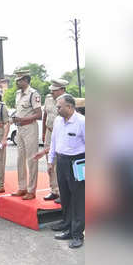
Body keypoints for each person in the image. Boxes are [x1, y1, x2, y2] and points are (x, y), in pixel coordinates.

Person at [48, 94, 85, 249]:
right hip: (62, 161)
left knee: (78, 199)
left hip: (77, 162)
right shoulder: (58, 121)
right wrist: (51, 161)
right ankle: (68, 228)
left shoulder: (82, 122)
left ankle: (77, 234)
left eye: (59, 107)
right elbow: (54, 141)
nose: (57, 110)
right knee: (66, 197)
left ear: (70, 107)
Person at [11, 70, 42, 200]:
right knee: (20, 159)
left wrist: (23, 119)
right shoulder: (18, 94)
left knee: (31, 159)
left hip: (30, 127)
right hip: (19, 129)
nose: (17, 82)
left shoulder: (33, 94)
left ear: (26, 81)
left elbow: (39, 114)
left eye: (19, 80)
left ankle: (31, 189)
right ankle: (22, 187)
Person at [38, 78, 69, 202]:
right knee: (50, 163)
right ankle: (54, 190)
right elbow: (45, 114)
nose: (52, 92)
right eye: (51, 90)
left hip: (62, 135)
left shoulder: (68, 101)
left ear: (62, 90)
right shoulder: (48, 98)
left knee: (62, 164)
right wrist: (44, 132)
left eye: (55, 90)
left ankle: (64, 192)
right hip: (50, 132)